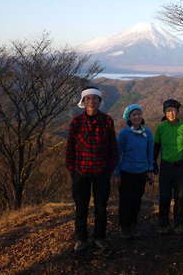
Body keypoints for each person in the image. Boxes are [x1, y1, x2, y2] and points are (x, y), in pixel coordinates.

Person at [66, 87, 118, 252]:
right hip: (80, 172)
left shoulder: (107, 120)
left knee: (101, 207)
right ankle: (81, 238)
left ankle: (99, 237)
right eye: (88, 99)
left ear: (99, 101)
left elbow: (112, 147)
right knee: (81, 207)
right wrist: (72, 170)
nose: (92, 102)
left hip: (101, 172)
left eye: (95, 99)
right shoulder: (76, 122)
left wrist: (109, 169)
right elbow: (70, 148)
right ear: (83, 102)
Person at [154, 99, 183, 234]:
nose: (171, 113)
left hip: (180, 166)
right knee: (164, 196)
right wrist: (153, 162)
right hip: (166, 166)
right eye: (168, 111)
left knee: (180, 196)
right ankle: (163, 224)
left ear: (178, 111)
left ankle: (178, 223)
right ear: (164, 113)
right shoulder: (161, 127)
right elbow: (156, 146)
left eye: (173, 110)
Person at [114, 104, 154, 239]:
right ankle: (124, 227)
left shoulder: (147, 133)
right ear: (129, 118)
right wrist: (117, 173)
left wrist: (150, 170)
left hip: (141, 172)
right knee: (126, 200)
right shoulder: (124, 134)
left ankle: (133, 225)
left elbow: (150, 153)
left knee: (137, 200)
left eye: (139, 114)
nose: (137, 116)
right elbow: (118, 154)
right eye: (133, 115)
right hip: (126, 172)